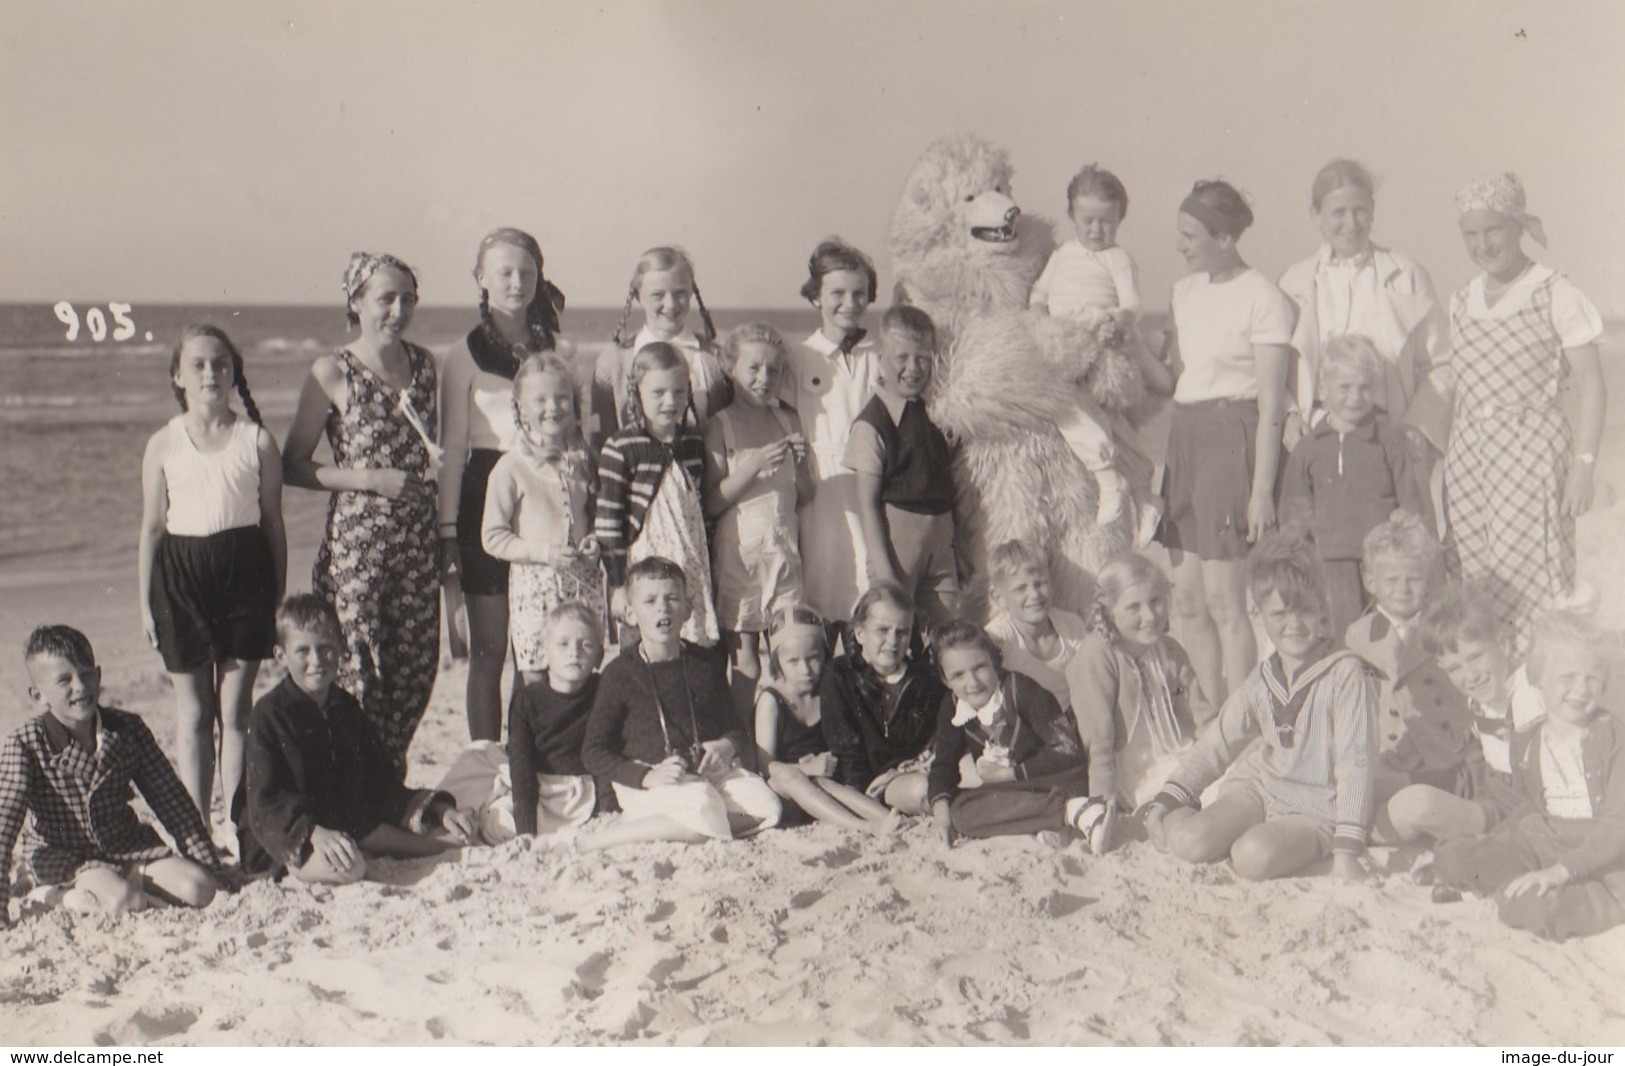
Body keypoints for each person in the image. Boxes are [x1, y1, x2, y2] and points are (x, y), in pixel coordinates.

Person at [283, 252, 441, 775]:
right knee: (355, 665)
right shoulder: (333, 370)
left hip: (417, 539)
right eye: (385, 299)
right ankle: (353, 782)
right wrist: (370, 479)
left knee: (415, 666)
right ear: (355, 303)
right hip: (358, 543)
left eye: (408, 299)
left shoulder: (425, 366)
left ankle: (389, 775)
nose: (398, 310)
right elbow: (295, 465)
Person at [1143, 530, 1377, 881]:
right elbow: (1218, 743)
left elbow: (1355, 764)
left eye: (1304, 611)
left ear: (1322, 607)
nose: (1293, 624)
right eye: (1280, 613)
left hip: (1316, 808)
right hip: (1259, 789)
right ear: (1259, 612)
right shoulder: (1264, 677)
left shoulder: (1347, 674)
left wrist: (1348, 850)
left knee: (1251, 857)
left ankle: (1278, 842)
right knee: (1188, 842)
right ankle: (1212, 826)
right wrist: (1168, 797)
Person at [1440, 172, 1607, 651]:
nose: (1482, 244)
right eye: (1470, 234)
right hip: (1470, 458)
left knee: (1533, 572)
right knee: (1479, 576)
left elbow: (1593, 387)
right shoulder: (1461, 300)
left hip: (1530, 451)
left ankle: (1539, 693)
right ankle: (1501, 699)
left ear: (1518, 227)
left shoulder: (1553, 292)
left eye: (1493, 230)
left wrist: (1584, 467)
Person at [136, 324, 286, 836]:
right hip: (179, 580)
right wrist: (143, 605)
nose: (210, 373)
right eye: (197, 364)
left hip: (246, 579)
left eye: (220, 363)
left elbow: (273, 526)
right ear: (178, 375)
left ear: (233, 373)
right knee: (196, 712)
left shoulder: (257, 440)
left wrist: (277, 599)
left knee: (236, 711)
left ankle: (239, 824)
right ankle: (197, 827)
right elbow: (152, 528)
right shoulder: (162, 443)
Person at [1157, 180, 1298, 705]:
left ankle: (1240, 727)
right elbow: (1173, 380)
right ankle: (1210, 721)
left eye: (1190, 235)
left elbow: (1270, 406)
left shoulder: (1263, 297)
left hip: (1231, 442)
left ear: (1224, 237)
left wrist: (1261, 490)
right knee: (1188, 601)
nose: (1181, 245)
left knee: (1225, 601)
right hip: (1185, 440)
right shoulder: (1184, 293)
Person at [237, 595, 478, 883]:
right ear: (280, 655)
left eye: (326, 648)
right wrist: (314, 833)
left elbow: (382, 784)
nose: (316, 660)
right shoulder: (269, 714)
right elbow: (265, 801)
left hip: (342, 824)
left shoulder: (345, 707)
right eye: (303, 651)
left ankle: (439, 846)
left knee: (379, 830)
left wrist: (440, 810)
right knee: (350, 867)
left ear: (341, 646)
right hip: (281, 838)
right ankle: (295, 871)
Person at [439, 227, 569, 742]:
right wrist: (448, 531)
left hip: (545, 501)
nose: (517, 282)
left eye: (527, 272)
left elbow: (573, 433)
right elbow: (451, 452)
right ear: (481, 279)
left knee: (539, 647)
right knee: (490, 651)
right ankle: (487, 759)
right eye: (504, 272)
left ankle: (537, 754)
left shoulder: (559, 349)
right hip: (481, 501)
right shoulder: (461, 354)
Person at [0, 626, 224, 925]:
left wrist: (211, 868)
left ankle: (124, 888)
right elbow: (4, 826)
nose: (80, 687)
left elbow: (175, 805)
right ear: (38, 695)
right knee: (125, 903)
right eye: (64, 680)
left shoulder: (126, 729)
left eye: (87, 674)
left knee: (200, 888)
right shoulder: (25, 744)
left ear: (99, 674)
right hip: (63, 860)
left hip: (126, 848)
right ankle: (47, 895)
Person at [1429, 612, 1625, 940]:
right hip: (1546, 840)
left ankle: (1591, 901)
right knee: (1452, 857)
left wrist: (1561, 872)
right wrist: (1492, 841)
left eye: (1592, 678)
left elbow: (1618, 825)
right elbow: (1533, 806)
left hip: (1606, 859)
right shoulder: (1529, 738)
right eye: (1568, 678)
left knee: (1533, 908)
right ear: (1537, 678)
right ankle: (1501, 884)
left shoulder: (1614, 737)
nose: (1581, 690)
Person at [578, 557, 781, 850]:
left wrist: (726, 746)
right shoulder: (619, 673)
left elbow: (734, 728)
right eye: (650, 601)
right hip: (649, 780)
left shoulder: (705, 663)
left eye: (672, 598)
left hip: (703, 774)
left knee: (767, 804)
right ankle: (611, 838)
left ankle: (689, 827)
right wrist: (646, 775)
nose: (662, 608)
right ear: (631, 613)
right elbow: (593, 751)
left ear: (687, 609)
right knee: (704, 804)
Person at [1277, 159, 1451, 464]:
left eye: (1360, 211)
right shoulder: (1293, 282)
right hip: (1314, 437)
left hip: (1390, 438)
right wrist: (1289, 415)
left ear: (1372, 210)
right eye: (1338, 213)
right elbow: (1274, 368)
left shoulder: (1407, 274)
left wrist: (1417, 428)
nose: (1351, 223)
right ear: (1316, 215)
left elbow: (1441, 364)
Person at [1029, 164, 1162, 539]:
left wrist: (1118, 322)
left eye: (1107, 221)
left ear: (1120, 218)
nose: (1096, 230)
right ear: (1072, 215)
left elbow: (1133, 303)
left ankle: (1106, 476)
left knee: (1066, 404)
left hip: (1100, 336)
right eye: (1087, 220)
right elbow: (1039, 293)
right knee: (1099, 418)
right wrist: (1039, 318)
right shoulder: (1062, 255)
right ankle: (1143, 490)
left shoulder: (1118, 258)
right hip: (1062, 339)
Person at [1280, 334, 1433, 636]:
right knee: (1345, 634)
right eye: (1344, 388)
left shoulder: (1390, 441)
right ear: (1324, 389)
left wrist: (1409, 541)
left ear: (1376, 389)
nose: (1355, 397)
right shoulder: (1308, 448)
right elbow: (1294, 510)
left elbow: (1411, 504)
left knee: (1390, 630)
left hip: (1383, 562)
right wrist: (1297, 554)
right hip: (1332, 561)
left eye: (1365, 388)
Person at [704, 323, 814, 726]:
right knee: (746, 660)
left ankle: (785, 738)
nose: (763, 379)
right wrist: (750, 467)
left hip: (784, 554)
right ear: (729, 367)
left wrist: (800, 462)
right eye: (752, 368)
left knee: (790, 650)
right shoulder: (721, 425)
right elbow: (713, 501)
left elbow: (807, 494)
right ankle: (742, 745)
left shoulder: (788, 419)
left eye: (773, 370)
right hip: (741, 556)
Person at [1066, 551, 1212, 846]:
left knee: (1234, 787)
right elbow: (1099, 738)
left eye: (1156, 601)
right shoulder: (1098, 655)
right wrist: (1102, 804)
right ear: (1108, 611)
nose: (1150, 616)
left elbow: (1202, 714)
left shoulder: (1169, 649)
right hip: (1135, 770)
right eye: (1134, 607)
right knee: (1180, 814)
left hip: (1180, 752)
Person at [1387, 583, 1544, 848]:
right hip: (1489, 795)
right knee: (1385, 791)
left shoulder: (1533, 695)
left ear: (1504, 644)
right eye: (1455, 668)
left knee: (1414, 809)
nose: (1470, 675)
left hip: (1519, 815)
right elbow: (1478, 771)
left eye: (1476, 657)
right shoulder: (1478, 700)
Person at [434, 600, 604, 843]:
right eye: (563, 644)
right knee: (477, 752)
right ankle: (449, 813)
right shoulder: (528, 698)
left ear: (599, 654)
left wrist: (607, 811)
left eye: (585, 645)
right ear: (544, 651)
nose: (574, 653)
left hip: (573, 792)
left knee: (500, 826)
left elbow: (606, 756)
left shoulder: (601, 693)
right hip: (530, 782)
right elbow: (521, 765)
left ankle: (485, 814)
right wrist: (527, 828)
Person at [482, 353, 604, 685]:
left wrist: (594, 541)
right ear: (521, 408)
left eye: (561, 398)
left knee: (583, 672)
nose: (553, 407)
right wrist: (545, 553)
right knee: (536, 679)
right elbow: (492, 536)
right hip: (536, 589)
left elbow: (593, 515)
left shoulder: (584, 460)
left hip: (581, 585)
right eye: (540, 400)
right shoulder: (511, 466)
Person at [1344, 511, 1472, 821]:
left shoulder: (1442, 628)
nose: (1403, 589)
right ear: (1370, 581)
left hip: (1439, 756)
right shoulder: (1359, 635)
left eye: (1413, 579)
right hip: (1386, 755)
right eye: (1391, 580)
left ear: (1428, 578)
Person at [926, 622, 1095, 847]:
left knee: (1005, 799)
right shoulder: (953, 706)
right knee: (960, 811)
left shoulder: (1021, 689)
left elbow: (1069, 751)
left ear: (995, 662)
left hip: (1055, 779)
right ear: (945, 680)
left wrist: (1012, 773)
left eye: (979, 667)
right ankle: (1064, 816)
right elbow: (943, 766)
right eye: (958, 675)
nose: (972, 683)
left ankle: (1069, 811)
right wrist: (941, 818)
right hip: (1015, 793)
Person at [785, 238, 882, 627]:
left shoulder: (879, 355)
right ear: (815, 298)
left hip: (871, 480)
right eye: (837, 293)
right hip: (821, 486)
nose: (850, 303)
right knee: (823, 593)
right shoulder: (798, 356)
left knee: (868, 588)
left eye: (860, 294)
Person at [845, 305, 961, 629]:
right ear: (881, 358)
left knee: (946, 628)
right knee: (894, 628)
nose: (913, 368)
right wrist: (884, 571)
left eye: (922, 358)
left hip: (940, 535)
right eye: (902, 358)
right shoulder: (872, 423)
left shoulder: (938, 411)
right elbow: (867, 503)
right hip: (899, 540)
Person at [595, 342, 718, 647]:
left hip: (690, 563)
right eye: (658, 392)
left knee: (691, 646)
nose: (670, 401)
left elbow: (698, 510)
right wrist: (617, 584)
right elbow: (610, 524)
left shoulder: (692, 441)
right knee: (643, 646)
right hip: (643, 564)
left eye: (678, 392)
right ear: (636, 393)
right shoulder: (622, 446)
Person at [753, 606, 899, 835]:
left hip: (828, 787)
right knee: (792, 776)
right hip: (787, 792)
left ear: (825, 653)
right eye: (793, 661)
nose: (805, 670)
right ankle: (865, 826)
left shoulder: (829, 689)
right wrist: (806, 767)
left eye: (813, 658)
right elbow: (765, 766)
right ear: (777, 661)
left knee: (823, 783)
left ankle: (887, 818)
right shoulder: (772, 701)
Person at [819, 583, 943, 813]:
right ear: (859, 633)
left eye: (902, 631)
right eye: (882, 630)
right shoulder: (840, 675)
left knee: (973, 771)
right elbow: (846, 749)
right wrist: (860, 799)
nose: (893, 641)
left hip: (923, 766)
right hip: (881, 783)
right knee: (922, 789)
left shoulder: (923, 677)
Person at [591, 246, 728, 452]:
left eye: (680, 293)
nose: (671, 304)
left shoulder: (714, 359)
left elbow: (728, 436)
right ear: (638, 296)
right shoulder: (614, 361)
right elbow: (600, 439)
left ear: (692, 292)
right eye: (657, 295)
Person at [982, 538, 1091, 712]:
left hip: (1070, 719)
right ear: (998, 597)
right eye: (1020, 589)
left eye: (1041, 583)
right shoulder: (999, 638)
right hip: (1022, 725)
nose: (1034, 594)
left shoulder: (1071, 626)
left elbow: (1089, 682)